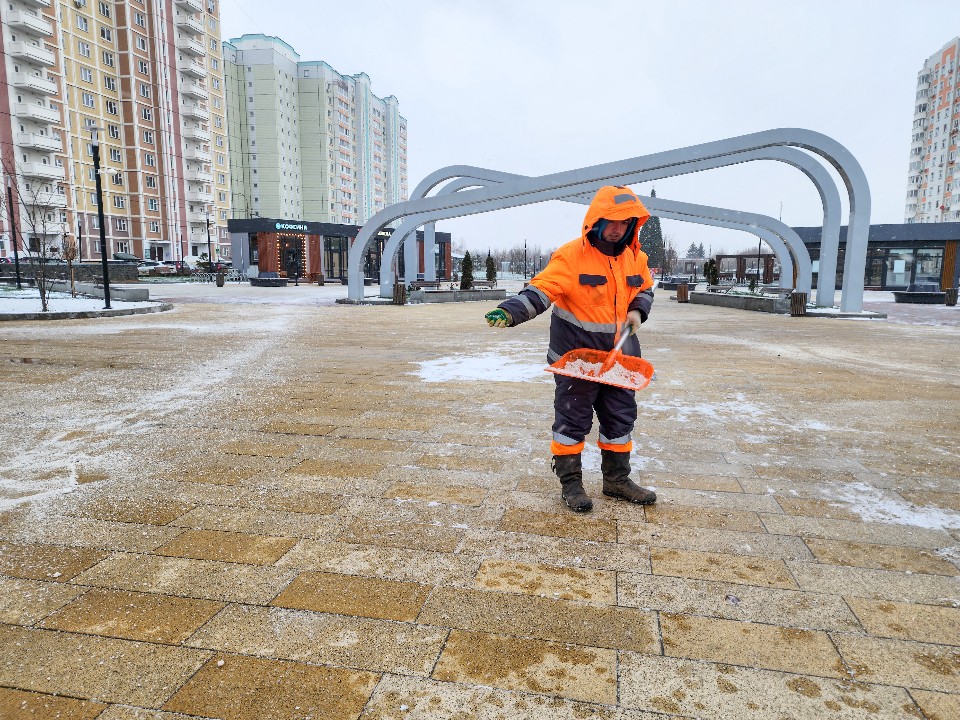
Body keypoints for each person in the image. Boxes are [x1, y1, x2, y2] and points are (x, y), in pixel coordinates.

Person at [484, 185, 657, 513]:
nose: (618, 227)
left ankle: (617, 480)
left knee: (620, 420)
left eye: (626, 222)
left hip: (620, 359)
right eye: (612, 220)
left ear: (633, 225)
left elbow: (645, 289)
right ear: (596, 220)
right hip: (576, 361)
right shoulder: (570, 255)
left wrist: (638, 310)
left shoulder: (637, 258)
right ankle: (571, 484)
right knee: (572, 421)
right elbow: (541, 290)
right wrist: (510, 311)